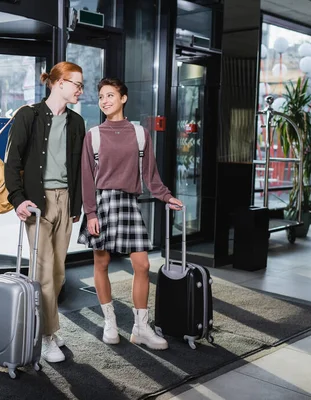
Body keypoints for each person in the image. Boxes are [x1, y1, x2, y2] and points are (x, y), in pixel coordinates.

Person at [78, 77, 183, 350]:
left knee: (143, 266)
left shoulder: (139, 134)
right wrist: (90, 213)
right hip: (101, 205)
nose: (105, 101)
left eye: (110, 95)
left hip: (128, 204)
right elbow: (86, 179)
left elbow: (151, 175)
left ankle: (140, 328)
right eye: (101, 96)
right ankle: (110, 322)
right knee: (101, 265)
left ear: (123, 98)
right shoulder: (94, 135)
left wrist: (167, 196)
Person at [4, 61, 86, 363]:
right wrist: (18, 199)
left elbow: (79, 169)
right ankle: (47, 335)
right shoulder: (28, 115)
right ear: (59, 83)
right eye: (76, 83)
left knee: (59, 272)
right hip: (38, 204)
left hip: (65, 203)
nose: (81, 89)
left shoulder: (77, 123)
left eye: (81, 84)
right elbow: (11, 162)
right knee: (44, 272)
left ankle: (45, 327)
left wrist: (76, 205)